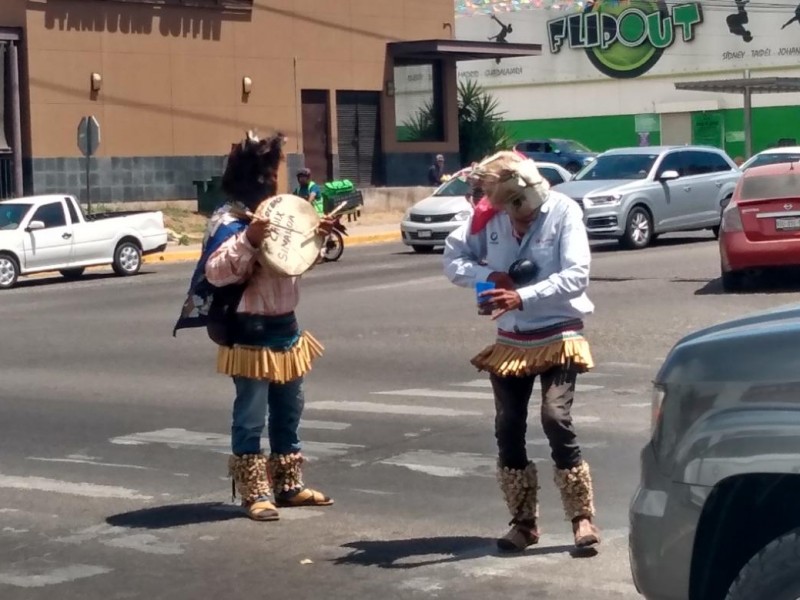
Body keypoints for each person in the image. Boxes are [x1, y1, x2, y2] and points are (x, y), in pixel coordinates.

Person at [173, 131, 337, 521]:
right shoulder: (229, 220)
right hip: (249, 332)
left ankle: (289, 485)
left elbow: (292, 264)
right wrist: (249, 239)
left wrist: (317, 236)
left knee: (290, 408)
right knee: (251, 412)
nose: (271, 182)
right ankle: (254, 490)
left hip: (286, 326)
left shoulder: (280, 214)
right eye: (265, 175)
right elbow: (216, 273)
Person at [442, 150, 601, 553]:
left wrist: (523, 296)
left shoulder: (564, 211)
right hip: (512, 340)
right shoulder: (487, 217)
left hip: (558, 331)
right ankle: (524, 523)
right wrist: (487, 276)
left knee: (555, 417)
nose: (520, 218)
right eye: (512, 212)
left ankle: (582, 518)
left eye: (525, 211)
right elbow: (453, 259)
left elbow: (576, 275)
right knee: (508, 425)